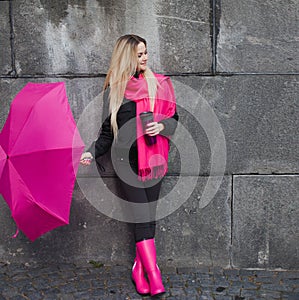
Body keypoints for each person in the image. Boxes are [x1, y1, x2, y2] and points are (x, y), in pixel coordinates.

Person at [80, 34, 178, 296]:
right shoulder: (114, 93)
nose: (145, 58)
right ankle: (153, 274)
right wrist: (91, 152)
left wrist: (162, 126)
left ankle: (139, 268)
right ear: (127, 57)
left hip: (155, 160)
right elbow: (106, 135)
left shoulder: (160, 85)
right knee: (141, 215)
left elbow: (174, 119)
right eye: (139, 54)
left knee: (149, 216)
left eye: (146, 53)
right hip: (126, 163)